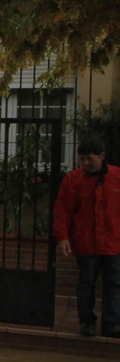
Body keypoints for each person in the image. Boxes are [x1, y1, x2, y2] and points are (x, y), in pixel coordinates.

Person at [53, 136, 120, 337]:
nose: (85, 163)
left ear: (101, 156)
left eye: (89, 159)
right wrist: (62, 237)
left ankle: (112, 323)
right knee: (87, 283)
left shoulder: (117, 177)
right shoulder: (73, 180)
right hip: (87, 242)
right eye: (82, 159)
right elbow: (63, 210)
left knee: (115, 284)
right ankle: (87, 321)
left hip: (113, 242)